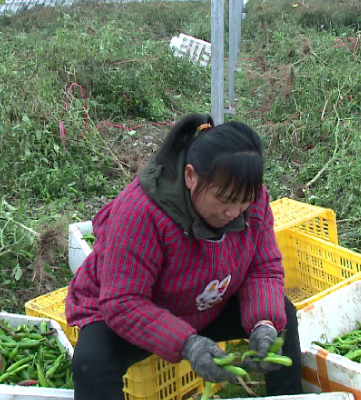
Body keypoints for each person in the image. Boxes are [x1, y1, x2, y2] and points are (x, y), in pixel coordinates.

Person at [65, 113, 303, 399]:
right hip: (131, 309)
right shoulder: (140, 212)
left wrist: (264, 323)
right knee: (92, 363)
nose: (233, 212)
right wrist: (187, 343)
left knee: (280, 317)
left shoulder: (251, 200)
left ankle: (290, 396)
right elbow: (123, 301)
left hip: (204, 301)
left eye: (243, 201)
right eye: (225, 200)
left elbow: (263, 268)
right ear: (191, 176)